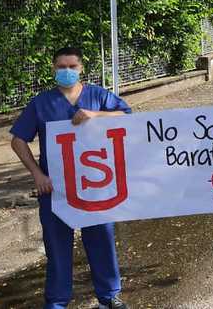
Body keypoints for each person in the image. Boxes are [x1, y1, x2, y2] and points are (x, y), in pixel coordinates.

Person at [10, 47, 131, 309]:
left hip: (96, 186)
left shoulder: (98, 96)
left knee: (101, 240)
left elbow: (127, 117)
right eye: (61, 66)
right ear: (53, 69)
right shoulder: (41, 103)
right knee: (57, 247)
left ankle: (109, 297)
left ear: (81, 68)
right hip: (55, 189)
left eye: (72, 66)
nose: (66, 71)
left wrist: (96, 115)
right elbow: (18, 140)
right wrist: (37, 174)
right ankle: (57, 301)